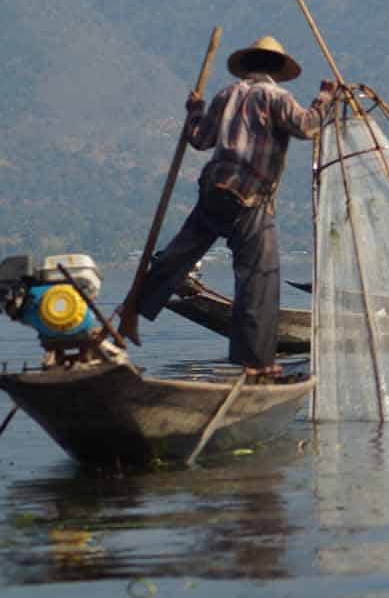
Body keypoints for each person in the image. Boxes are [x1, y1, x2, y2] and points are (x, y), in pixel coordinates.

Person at [121, 36, 336, 379]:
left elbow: (199, 139)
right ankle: (256, 363)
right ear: (276, 70)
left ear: (249, 65)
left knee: (179, 255)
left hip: (214, 190)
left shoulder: (224, 95)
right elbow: (308, 127)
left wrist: (194, 110)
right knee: (259, 278)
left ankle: (131, 310)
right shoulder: (275, 97)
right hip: (250, 196)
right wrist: (326, 97)